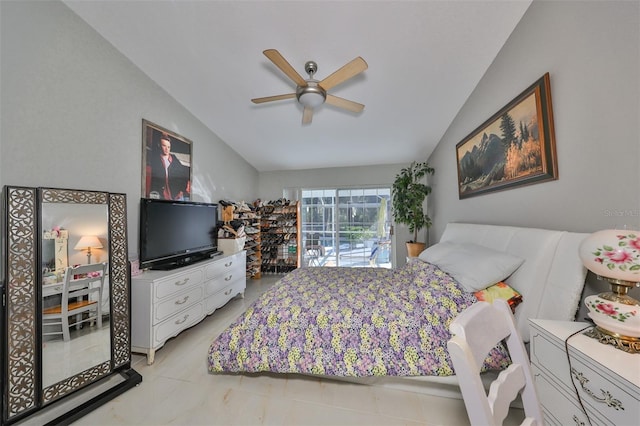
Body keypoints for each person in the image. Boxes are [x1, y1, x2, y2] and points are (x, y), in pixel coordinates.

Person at [148, 133, 190, 200]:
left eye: (168, 147)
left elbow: (184, 175)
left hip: (175, 195)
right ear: (159, 145)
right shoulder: (156, 160)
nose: (167, 149)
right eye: (164, 146)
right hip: (161, 196)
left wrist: (181, 191)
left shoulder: (174, 160)